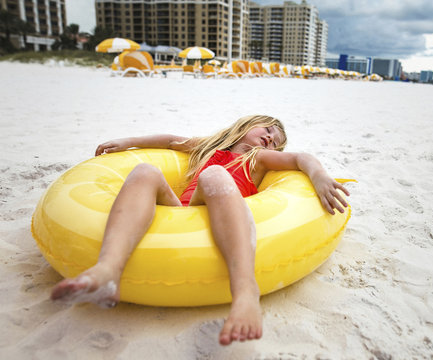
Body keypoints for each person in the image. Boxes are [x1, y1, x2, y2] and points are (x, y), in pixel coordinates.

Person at [50, 115, 350, 345]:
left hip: (221, 210)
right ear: (246, 124)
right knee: (144, 171)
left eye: (277, 140)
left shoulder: (257, 159)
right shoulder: (209, 147)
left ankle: (245, 292)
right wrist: (128, 142)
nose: (271, 140)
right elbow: (170, 141)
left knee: (215, 174)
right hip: (184, 210)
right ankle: (107, 271)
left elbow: (300, 158)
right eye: (267, 130)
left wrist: (320, 176)